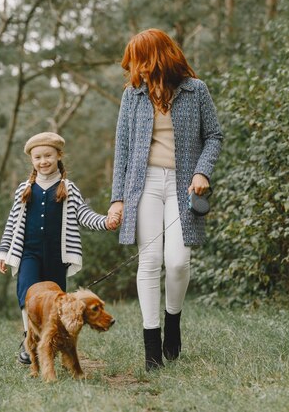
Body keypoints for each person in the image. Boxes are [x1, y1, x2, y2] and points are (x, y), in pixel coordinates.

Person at [108, 29, 223, 371]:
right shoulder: (133, 94)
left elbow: (214, 135)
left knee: (177, 262)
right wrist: (117, 199)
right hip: (142, 185)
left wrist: (202, 172)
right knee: (150, 260)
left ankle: (173, 320)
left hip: (183, 184)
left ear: (156, 58)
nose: (135, 70)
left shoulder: (195, 90)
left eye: (139, 62)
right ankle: (151, 345)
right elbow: (123, 148)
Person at [0, 132, 120, 364]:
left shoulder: (68, 188)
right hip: (28, 253)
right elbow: (12, 224)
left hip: (57, 255)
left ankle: (53, 341)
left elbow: (83, 215)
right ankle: (29, 340)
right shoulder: (24, 189)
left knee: (56, 301)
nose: (43, 161)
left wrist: (105, 221)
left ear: (58, 156)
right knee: (26, 296)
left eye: (48, 156)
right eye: (38, 157)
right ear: (32, 161)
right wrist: (3, 252)